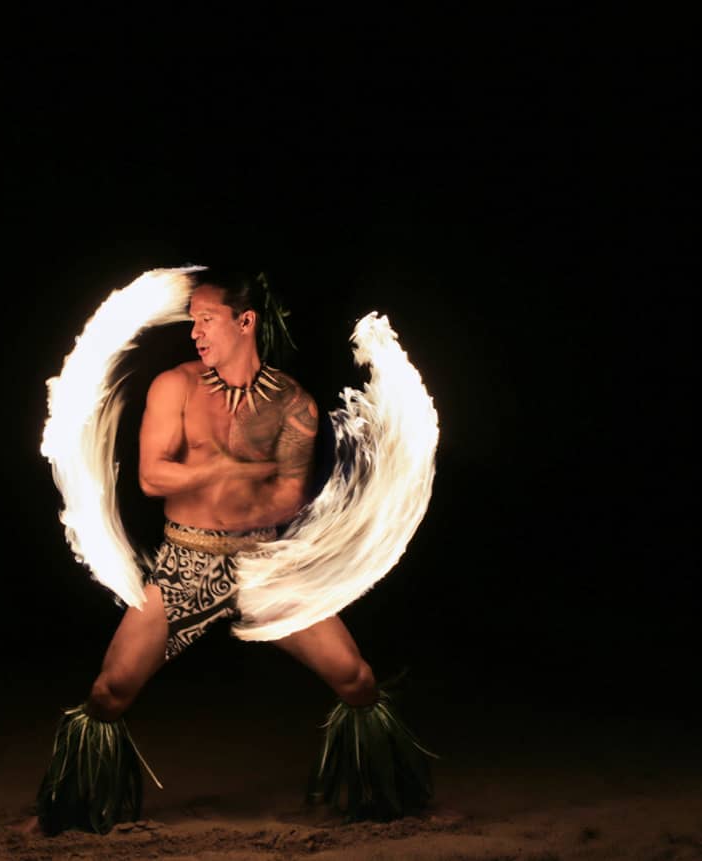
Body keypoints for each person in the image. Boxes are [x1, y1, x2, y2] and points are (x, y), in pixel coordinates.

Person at [32, 269, 433, 835]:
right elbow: (151, 477)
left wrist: (232, 497)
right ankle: (68, 812)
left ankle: (392, 799)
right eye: (192, 320)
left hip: (264, 566)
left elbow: (287, 499)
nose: (195, 331)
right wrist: (226, 467)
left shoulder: (294, 405)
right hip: (185, 564)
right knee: (109, 692)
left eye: (206, 319)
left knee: (357, 679)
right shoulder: (175, 386)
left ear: (245, 322)